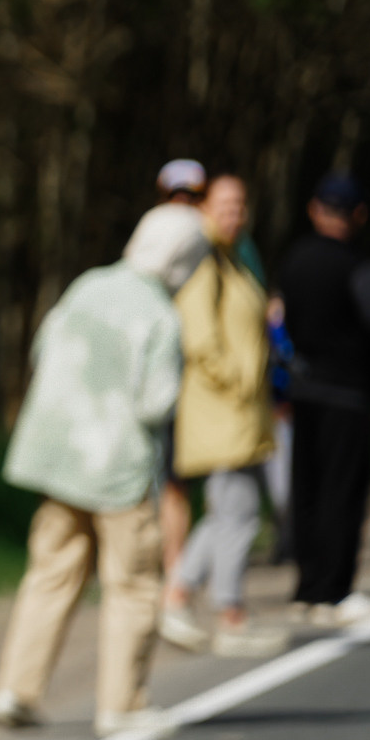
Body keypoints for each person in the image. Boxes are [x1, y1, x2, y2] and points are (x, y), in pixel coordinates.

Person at [0, 204, 211, 737]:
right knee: (133, 583)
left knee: (50, 573)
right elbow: (156, 403)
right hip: (119, 471)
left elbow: (43, 349)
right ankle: (122, 703)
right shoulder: (160, 315)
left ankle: (16, 690)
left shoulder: (88, 286)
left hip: (59, 457)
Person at [158, 176, 286, 658]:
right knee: (237, 511)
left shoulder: (234, 257)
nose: (234, 213)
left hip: (242, 410)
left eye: (240, 204)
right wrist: (238, 380)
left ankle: (185, 596)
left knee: (233, 511)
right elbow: (199, 337)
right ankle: (223, 611)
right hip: (220, 409)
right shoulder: (202, 258)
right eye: (224, 204)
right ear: (205, 208)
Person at [277, 173, 370, 624]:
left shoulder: (293, 260)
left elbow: (281, 321)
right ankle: (335, 590)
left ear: (315, 210)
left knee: (307, 488)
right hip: (348, 391)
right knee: (342, 490)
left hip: (302, 389)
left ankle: (307, 588)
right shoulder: (358, 265)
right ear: (360, 215)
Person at [152, 160, 209, 593]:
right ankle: (168, 562)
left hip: (195, 381)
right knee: (162, 480)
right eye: (176, 195)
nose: (183, 203)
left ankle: (176, 564)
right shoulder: (151, 243)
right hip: (156, 377)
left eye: (192, 195)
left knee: (178, 482)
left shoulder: (215, 248)